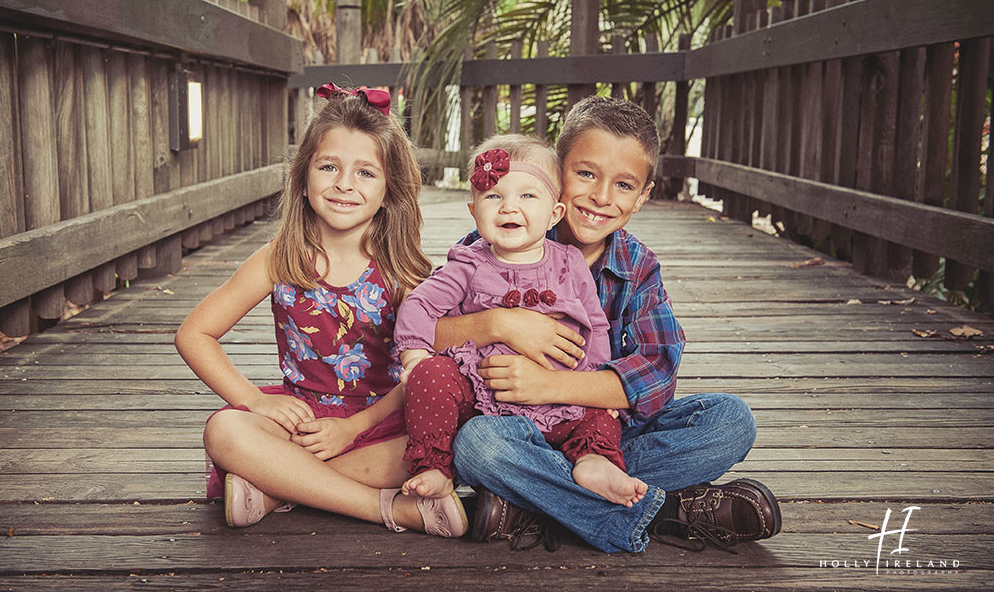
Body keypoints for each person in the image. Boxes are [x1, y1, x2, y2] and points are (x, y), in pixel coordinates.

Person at [437, 96, 782, 553]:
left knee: (730, 421)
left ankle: (531, 501)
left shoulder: (636, 267)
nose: (601, 197)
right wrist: (500, 323)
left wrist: (548, 384)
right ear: (556, 172)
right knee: (477, 446)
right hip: (511, 426)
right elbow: (427, 331)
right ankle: (667, 510)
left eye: (623, 185)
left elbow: (655, 377)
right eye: (585, 174)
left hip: (603, 434)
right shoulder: (495, 237)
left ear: (642, 197)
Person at [175, 83, 469, 538]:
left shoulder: (404, 273)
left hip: (382, 418)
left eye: (365, 173)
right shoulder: (280, 258)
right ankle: (384, 508)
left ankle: (278, 486)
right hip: (303, 421)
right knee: (226, 432)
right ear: (303, 177)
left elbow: (422, 368)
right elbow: (194, 333)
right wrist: (255, 400)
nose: (344, 184)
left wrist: (353, 428)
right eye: (328, 166)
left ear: (391, 190)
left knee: (457, 439)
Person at [393, 135, 649, 510]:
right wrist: (414, 356)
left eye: (527, 196)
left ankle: (586, 464)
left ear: (554, 213)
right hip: (489, 409)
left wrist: (588, 383)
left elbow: (596, 326)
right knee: (435, 381)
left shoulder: (569, 263)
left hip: (565, 402)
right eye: (493, 197)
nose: (508, 207)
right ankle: (435, 467)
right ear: (473, 210)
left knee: (614, 417)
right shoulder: (468, 263)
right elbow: (419, 304)